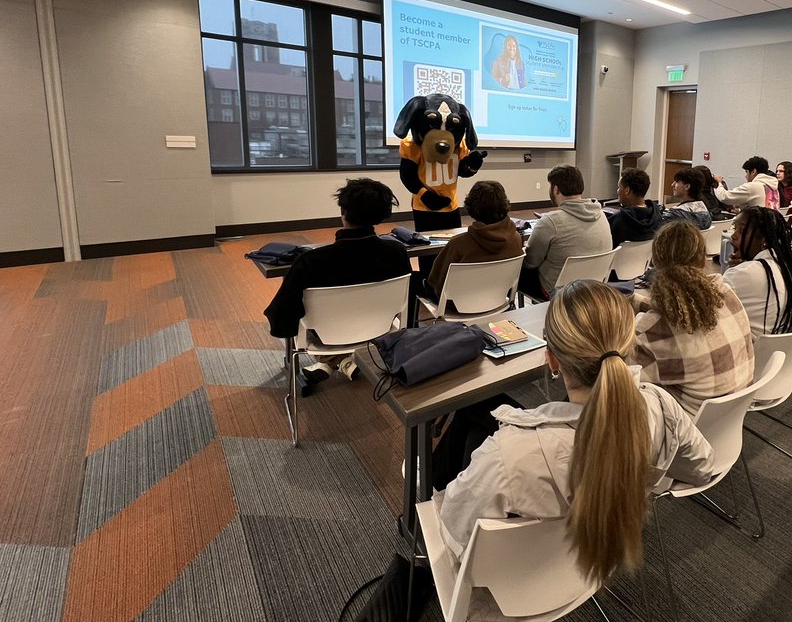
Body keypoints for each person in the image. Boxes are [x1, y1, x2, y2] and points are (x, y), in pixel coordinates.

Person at [435, 280, 716, 579]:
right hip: (600, 552)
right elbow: (701, 468)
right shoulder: (661, 406)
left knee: (469, 427)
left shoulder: (508, 454)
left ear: (552, 360)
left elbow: (454, 532)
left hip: (529, 578)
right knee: (478, 411)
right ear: (627, 347)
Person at [264, 178, 411, 391]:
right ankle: (344, 361)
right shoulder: (396, 252)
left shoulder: (311, 261)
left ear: (343, 211)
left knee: (300, 315)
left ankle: (333, 360)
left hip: (329, 332)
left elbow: (281, 320)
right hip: (380, 328)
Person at [630, 222, 755, 413]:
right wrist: (639, 302)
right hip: (731, 415)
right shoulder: (726, 294)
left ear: (654, 261)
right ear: (703, 260)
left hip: (688, 432)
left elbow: (618, 376)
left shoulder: (650, 331)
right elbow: (684, 309)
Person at [521, 164, 611, 298]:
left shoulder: (550, 222)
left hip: (560, 293)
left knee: (519, 270)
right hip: (595, 286)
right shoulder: (601, 215)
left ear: (556, 189)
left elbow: (530, 262)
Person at [424, 180, 524, 300]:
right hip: (499, 300)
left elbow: (435, 283)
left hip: (458, 306)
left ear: (471, 207)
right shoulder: (516, 239)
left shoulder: (458, 244)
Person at [724, 207, 792, 336]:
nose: (733, 236)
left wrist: (734, 269)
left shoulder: (743, 274)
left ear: (763, 240)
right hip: (786, 348)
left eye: (741, 231)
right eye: (734, 229)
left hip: (752, 351)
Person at [608, 168, 663, 247]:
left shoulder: (617, 220)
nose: (617, 191)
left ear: (627, 190)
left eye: (619, 187)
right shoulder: (658, 217)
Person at [714, 156, 779, 210]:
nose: (746, 176)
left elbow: (725, 197)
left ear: (753, 171)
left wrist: (718, 183)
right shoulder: (773, 186)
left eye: (746, 172)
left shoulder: (753, 187)